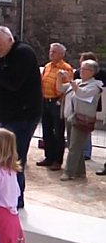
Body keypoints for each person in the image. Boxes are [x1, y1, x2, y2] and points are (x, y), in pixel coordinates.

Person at [0, 26, 42, 208]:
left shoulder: (23, 53)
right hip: (7, 115)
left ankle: (16, 199)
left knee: (14, 157)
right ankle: (5, 195)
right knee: (4, 156)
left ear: (9, 40)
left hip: (22, 115)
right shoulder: (1, 55)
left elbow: (12, 82)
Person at [57, 60, 103, 181]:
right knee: (75, 146)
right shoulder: (77, 82)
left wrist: (70, 80)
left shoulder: (95, 86)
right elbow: (60, 88)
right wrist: (59, 78)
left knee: (74, 146)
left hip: (83, 119)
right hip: (71, 117)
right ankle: (80, 172)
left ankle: (69, 172)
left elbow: (82, 94)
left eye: (84, 69)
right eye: (81, 68)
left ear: (92, 72)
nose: (81, 71)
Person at [36, 43, 74, 171]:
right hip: (45, 101)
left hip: (57, 102)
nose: (51, 53)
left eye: (54, 52)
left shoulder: (66, 68)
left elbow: (68, 88)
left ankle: (57, 160)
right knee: (46, 131)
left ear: (62, 54)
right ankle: (49, 157)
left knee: (58, 132)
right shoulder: (47, 66)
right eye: (51, 51)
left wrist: (59, 101)